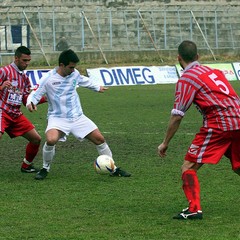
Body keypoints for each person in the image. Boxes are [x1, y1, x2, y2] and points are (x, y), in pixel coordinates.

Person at [157, 40, 240, 220]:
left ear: (179, 58)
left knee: (188, 166)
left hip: (220, 124)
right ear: (197, 57)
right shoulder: (214, 71)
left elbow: (177, 115)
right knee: (239, 165)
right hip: (238, 119)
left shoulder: (187, 79)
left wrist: (165, 143)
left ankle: (194, 209)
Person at [26, 49, 131, 180]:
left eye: (74, 67)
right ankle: (45, 168)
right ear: (61, 65)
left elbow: (83, 80)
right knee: (51, 140)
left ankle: (113, 168)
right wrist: (30, 103)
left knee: (100, 139)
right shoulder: (48, 79)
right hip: (57, 118)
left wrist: (97, 87)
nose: (73, 70)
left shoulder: (74, 74)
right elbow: (35, 93)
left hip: (77, 117)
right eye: (70, 67)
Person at [0, 46, 47, 173]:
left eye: (28, 61)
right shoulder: (4, 71)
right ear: (16, 58)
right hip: (2, 111)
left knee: (36, 139)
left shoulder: (25, 78)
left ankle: (26, 165)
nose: (27, 64)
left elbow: (26, 98)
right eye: (24, 60)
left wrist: (42, 100)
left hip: (15, 114)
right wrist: (1, 86)